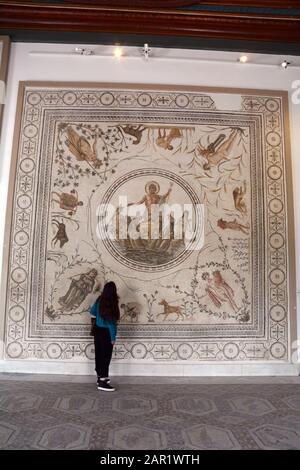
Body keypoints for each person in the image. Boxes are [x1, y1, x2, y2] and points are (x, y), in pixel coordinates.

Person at [89, 281, 120, 392]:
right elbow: (111, 324)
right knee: (106, 356)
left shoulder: (99, 300)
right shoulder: (112, 303)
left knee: (99, 354)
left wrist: (99, 317)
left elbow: (91, 311)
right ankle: (102, 381)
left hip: (97, 331)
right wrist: (113, 338)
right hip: (106, 333)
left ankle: (100, 377)